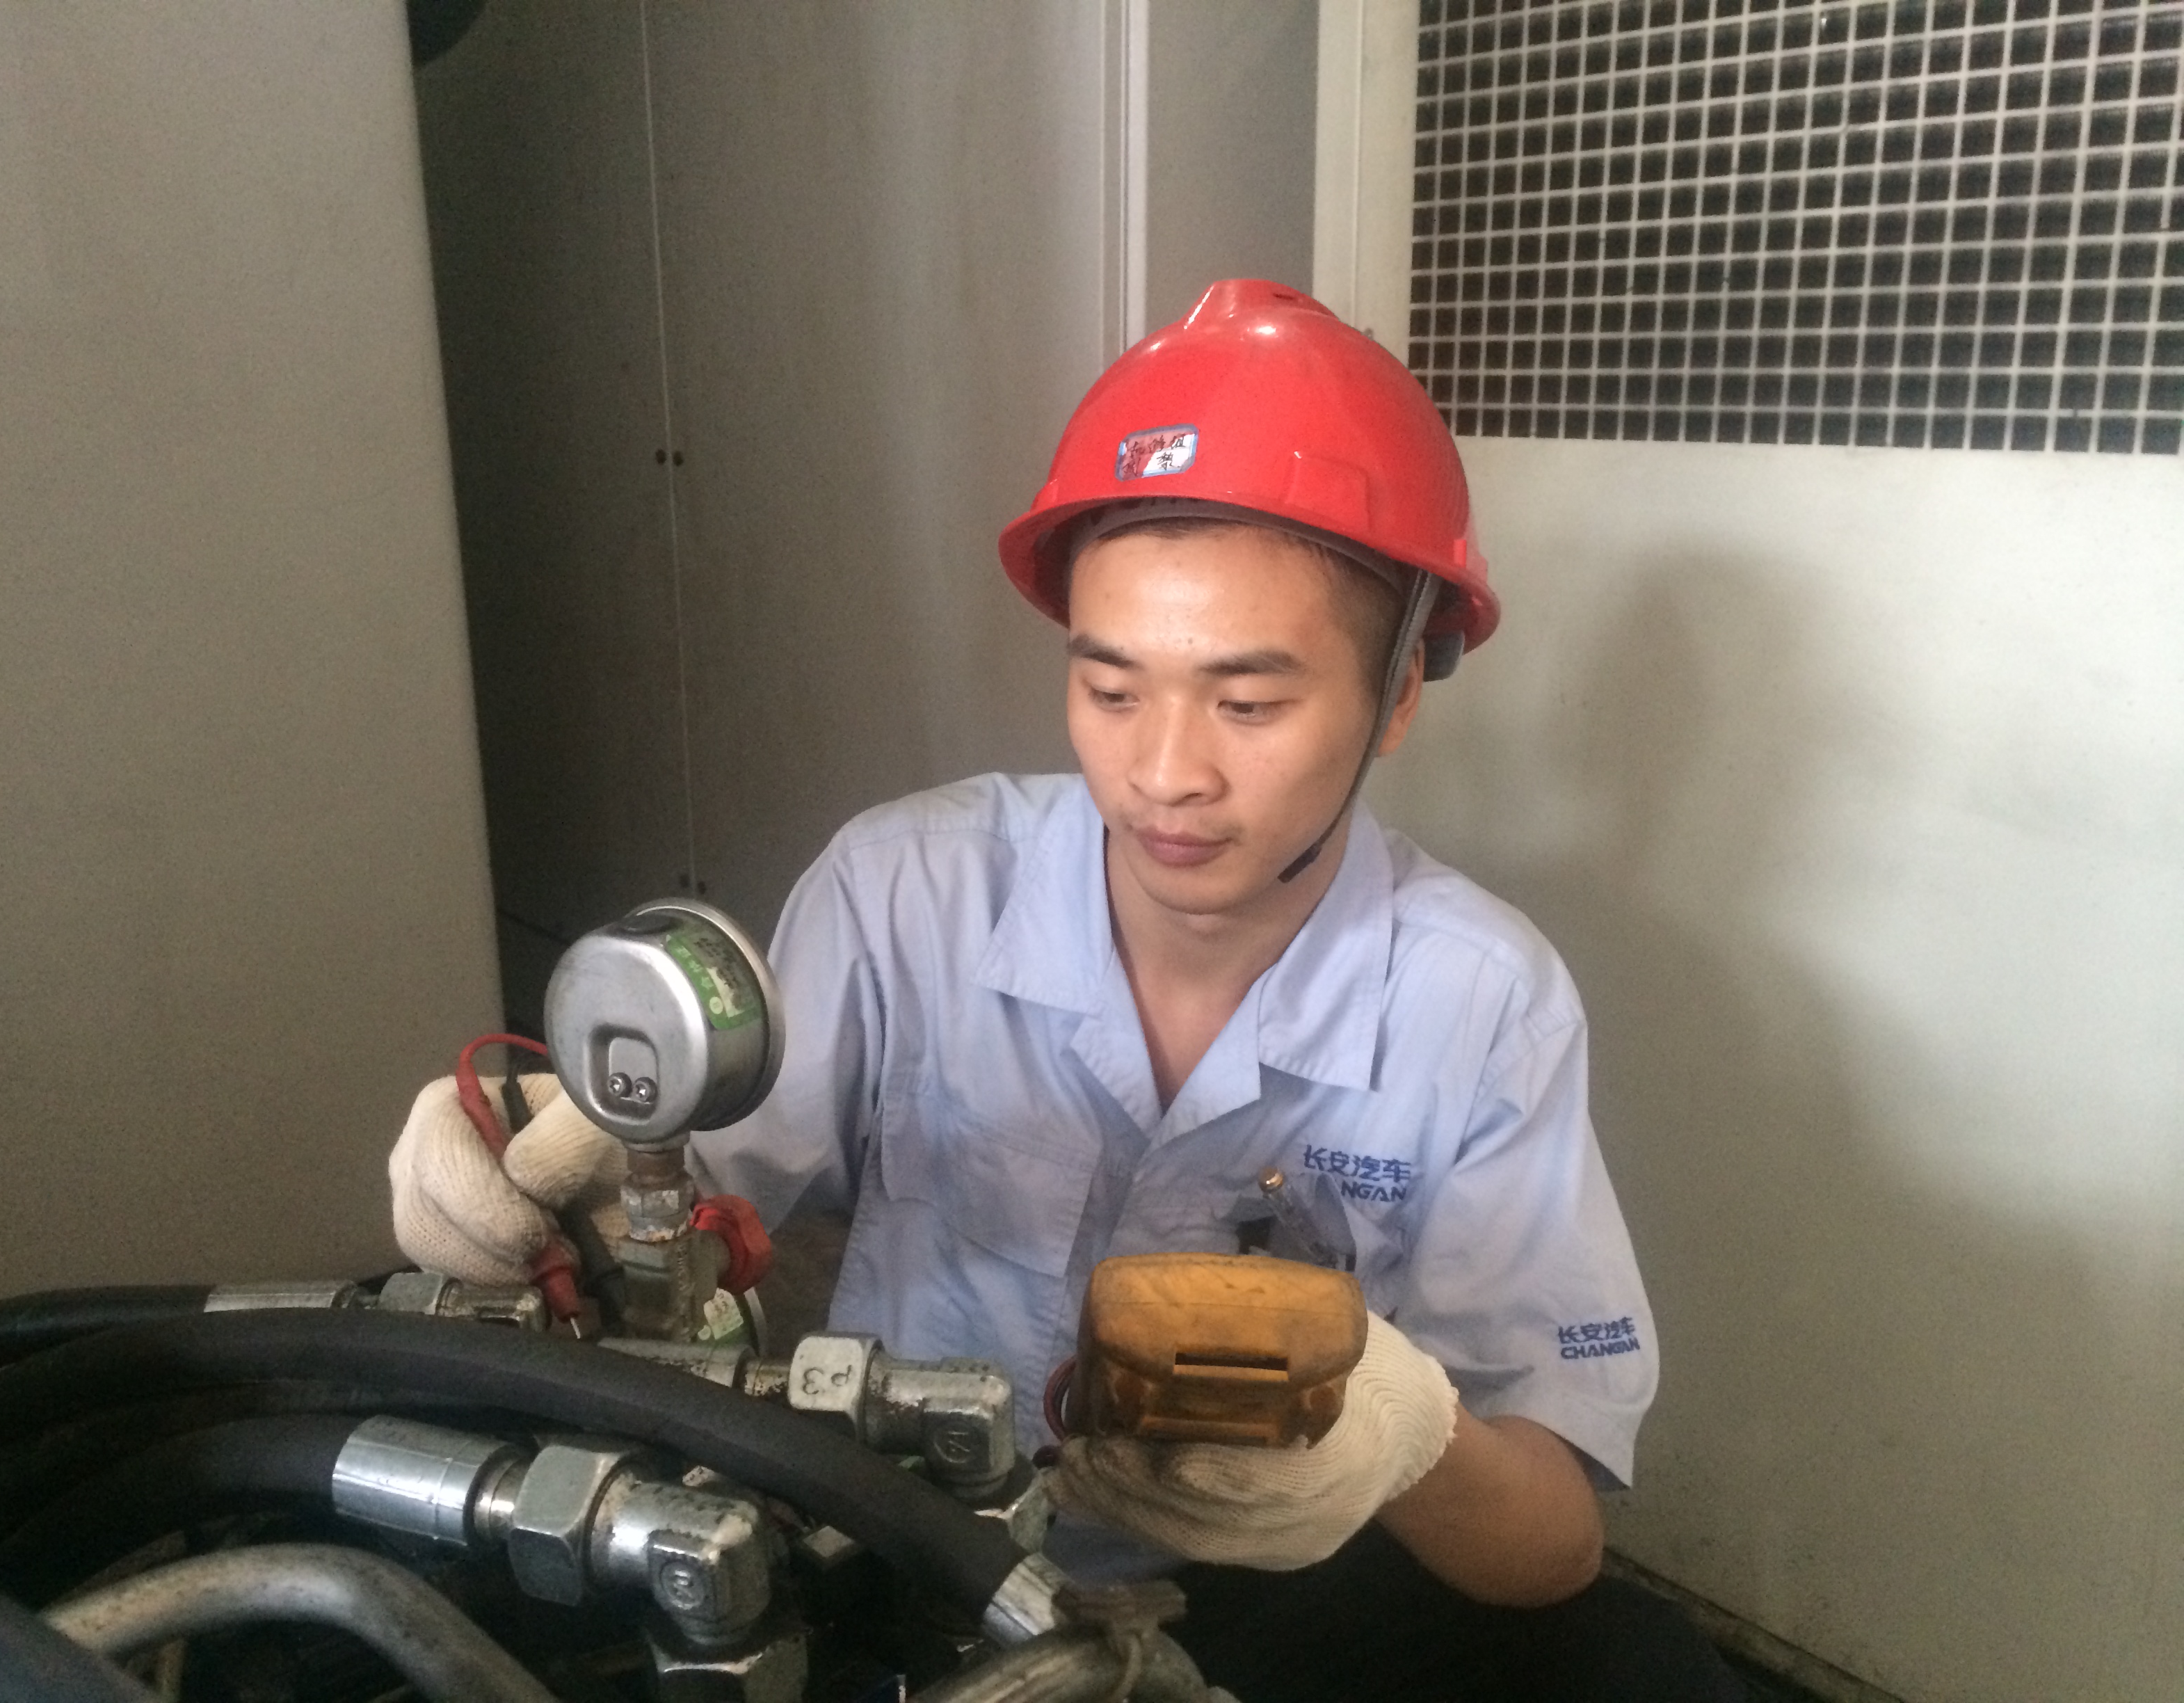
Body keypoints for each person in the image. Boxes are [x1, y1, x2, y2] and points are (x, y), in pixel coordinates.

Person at [390, 280, 1744, 1702]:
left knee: (1637, 1672)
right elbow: (676, 1207)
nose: (1164, 774)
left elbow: (1551, 1545)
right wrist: (536, 1177)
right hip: (893, 1550)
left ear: (1399, 691)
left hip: (1252, 1602)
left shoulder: (1481, 1002)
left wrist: (1410, 1440)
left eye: (1249, 703)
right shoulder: (912, 889)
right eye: (1111, 690)